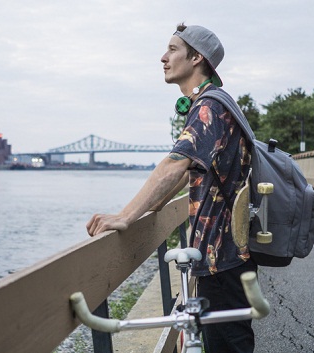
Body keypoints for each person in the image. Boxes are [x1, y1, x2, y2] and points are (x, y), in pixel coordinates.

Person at [87, 23, 257, 353]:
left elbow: (175, 165)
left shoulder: (210, 107)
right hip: (221, 259)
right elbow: (181, 178)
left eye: (172, 50)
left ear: (196, 58)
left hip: (224, 260)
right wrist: (148, 210)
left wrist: (124, 217)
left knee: (229, 347)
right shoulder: (209, 105)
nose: (163, 57)